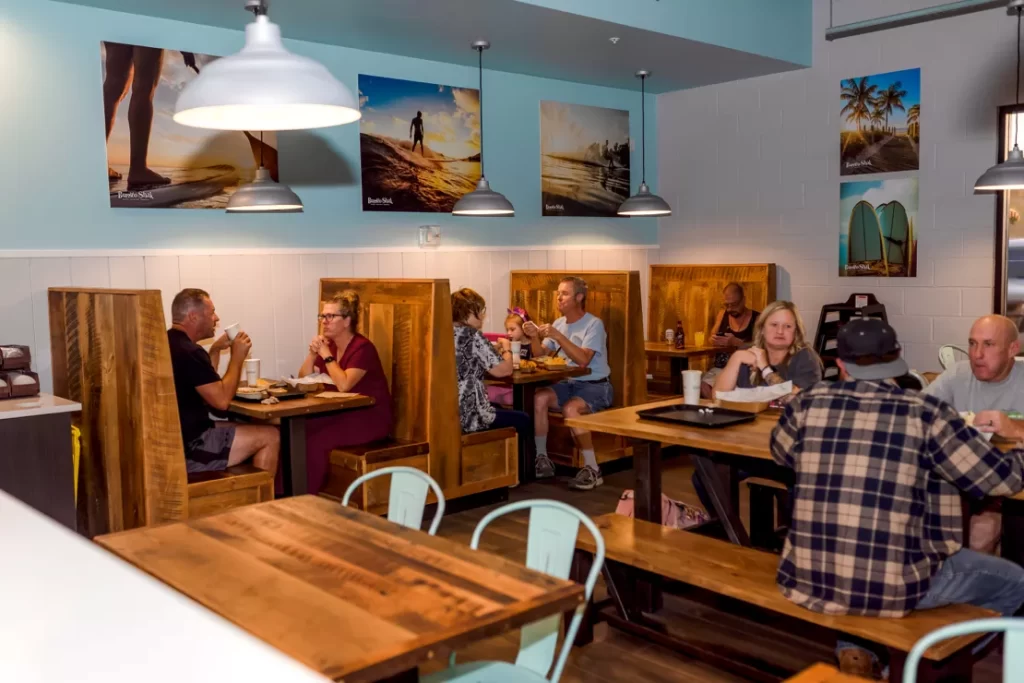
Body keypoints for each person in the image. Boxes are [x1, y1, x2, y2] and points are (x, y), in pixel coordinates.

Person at [771, 317, 1024, 678]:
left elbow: (780, 452)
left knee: (862, 549)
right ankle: (927, 662)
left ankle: (861, 649)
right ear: (898, 356)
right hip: (898, 582)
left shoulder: (806, 404)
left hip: (805, 574)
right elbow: (1004, 480)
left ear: (840, 363)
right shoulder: (925, 414)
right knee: (1016, 582)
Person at [166, 288, 279, 475]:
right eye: (211, 313)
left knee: (259, 428)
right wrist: (237, 357)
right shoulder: (191, 352)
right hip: (192, 447)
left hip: (178, 439)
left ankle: (244, 489)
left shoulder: (169, 343)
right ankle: (259, 495)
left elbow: (205, 388)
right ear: (193, 316)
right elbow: (221, 402)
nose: (216, 318)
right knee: (271, 436)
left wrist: (215, 350)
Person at [298, 291, 393, 494]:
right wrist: (313, 354)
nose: (324, 321)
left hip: (369, 417)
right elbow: (303, 378)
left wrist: (326, 356)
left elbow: (344, 384)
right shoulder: (330, 346)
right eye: (322, 316)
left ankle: (308, 495)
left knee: (317, 441)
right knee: (296, 431)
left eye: (330, 316)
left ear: (347, 320)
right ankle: (284, 493)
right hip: (340, 412)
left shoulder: (363, 348)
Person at [525, 277, 613, 491]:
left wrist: (558, 336)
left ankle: (592, 468)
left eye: (564, 293)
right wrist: (534, 337)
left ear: (579, 297)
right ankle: (542, 458)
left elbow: (583, 360)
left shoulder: (594, 324)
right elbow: (540, 355)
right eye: (558, 293)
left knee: (571, 409)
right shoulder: (559, 323)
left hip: (596, 385)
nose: (559, 298)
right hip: (567, 383)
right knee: (539, 398)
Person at [451, 289, 532, 462]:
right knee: (524, 420)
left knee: (498, 406)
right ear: (467, 312)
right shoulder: (472, 336)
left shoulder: (441, 333)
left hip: (447, 413)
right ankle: (511, 470)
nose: (482, 315)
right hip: (470, 416)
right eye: (480, 310)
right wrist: (508, 349)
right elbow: (504, 370)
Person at [103, 44, 198, 188]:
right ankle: (138, 169)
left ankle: (97, 164)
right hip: (149, 33)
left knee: (114, 85)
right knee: (144, 86)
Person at [712, 300, 822, 396]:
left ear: (796, 332)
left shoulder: (806, 357)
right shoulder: (747, 352)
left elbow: (800, 399)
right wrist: (736, 358)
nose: (780, 331)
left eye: (787, 326)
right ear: (762, 329)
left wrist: (765, 369)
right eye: (774, 325)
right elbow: (718, 396)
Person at [925, 314, 1024, 413]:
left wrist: (1012, 423)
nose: (977, 354)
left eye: (988, 344)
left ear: (1012, 349)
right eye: (973, 343)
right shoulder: (957, 373)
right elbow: (919, 408)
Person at [701, 282, 759, 398]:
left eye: (734, 304)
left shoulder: (757, 318)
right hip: (720, 367)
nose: (730, 309)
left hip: (744, 369)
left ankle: (724, 404)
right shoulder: (722, 314)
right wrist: (713, 340)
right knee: (700, 384)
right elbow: (711, 336)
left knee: (733, 387)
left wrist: (737, 343)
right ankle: (718, 405)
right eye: (727, 305)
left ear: (743, 300)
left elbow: (760, 348)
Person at [487, 307, 533, 407]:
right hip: (508, 384)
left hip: (525, 386)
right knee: (488, 392)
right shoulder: (508, 345)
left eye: (512, 329)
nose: (508, 333)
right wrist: (499, 348)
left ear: (524, 328)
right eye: (507, 330)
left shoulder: (532, 346)